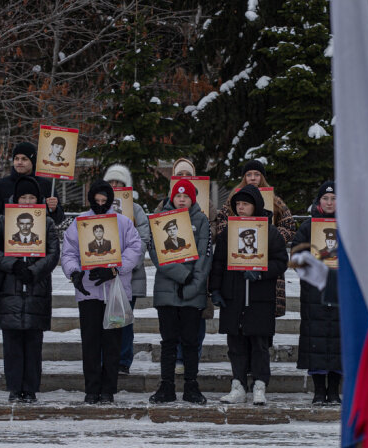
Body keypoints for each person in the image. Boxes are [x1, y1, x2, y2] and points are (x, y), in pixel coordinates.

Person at [61, 180, 143, 404]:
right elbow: (69, 252)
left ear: (110, 200)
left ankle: (108, 388)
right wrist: (74, 273)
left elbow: (135, 248)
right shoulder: (80, 223)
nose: (100, 204)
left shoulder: (123, 223)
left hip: (115, 291)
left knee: (112, 342)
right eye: (96, 200)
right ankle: (91, 388)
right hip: (89, 292)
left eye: (104, 200)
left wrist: (116, 269)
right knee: (90, 341)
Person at [210, 185, 288, 405]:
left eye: (245, 204)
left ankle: (260, 385)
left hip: (260, 297)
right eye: (238, 204)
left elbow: (281, 261)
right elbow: (218, 262)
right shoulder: (228, 232)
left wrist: (261, 272)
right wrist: (215, 289)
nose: (241, 208)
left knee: (260, 344)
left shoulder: (270, 232)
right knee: (235, 344)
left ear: (256, 206)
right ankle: (238, 384)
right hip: (233, 295)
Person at [0, 176, 59, 403]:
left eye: (31, 197)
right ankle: (15, 387)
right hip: (10, 288)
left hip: (37, 289)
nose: (27, 201)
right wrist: (13, 265)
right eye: (23, 197)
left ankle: (31, 388)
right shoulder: (3, 220)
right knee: (12, 343)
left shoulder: (46, 222)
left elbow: (53, 253)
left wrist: (34, 271)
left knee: (34, 343)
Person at [148, 179, 212, 405]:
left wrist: (193, 286)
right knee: (168, 341)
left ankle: (191, 386)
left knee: (190, 342)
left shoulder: (201, 220)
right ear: (172, 198)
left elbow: (205, 256)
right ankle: (166, 386)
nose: (182, 200)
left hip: (192, 294)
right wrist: (182, 276)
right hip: (166, 291)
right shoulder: (160, 220)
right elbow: (156, 253)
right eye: (178, 196)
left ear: (192, 199)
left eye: (186, 196)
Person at [213, 160, 297, 317]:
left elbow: (289, 225)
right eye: (249, 174)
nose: (252, 178)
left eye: (257, 174)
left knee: (262, 310)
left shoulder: (275, 200)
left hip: (266, 258)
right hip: (237, 260)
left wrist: (270, 238)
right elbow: (221, 223)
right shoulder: (233, 199)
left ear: (262, 177)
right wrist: (232, 236)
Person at [291, 180, 342, 405]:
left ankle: (334, 391)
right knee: (316, 340)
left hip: (340, 290)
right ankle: (319, 390)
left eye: (334, 198)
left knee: (338, 340)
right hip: (315, 292)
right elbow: (296, 255)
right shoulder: (308, 227)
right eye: (325, 198)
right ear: (319, 201)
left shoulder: (348, 225)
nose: (330, 202)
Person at [103, 164, 150, 375]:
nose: (114, 186)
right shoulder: (100, 207)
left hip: (129, 276)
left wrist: (127, 264)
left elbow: (143, 239)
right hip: (102, 276)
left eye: (119, 183)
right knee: (103, 320)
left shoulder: (136, 210)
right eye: (111, 182)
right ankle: (105, 359)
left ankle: (123, 360)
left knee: (123, 320)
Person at [0, 142, 65, 232]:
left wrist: (54, 210)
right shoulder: (2, 185)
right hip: (9, 239)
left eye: (24, 159)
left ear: (33, 161)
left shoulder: (46, 185)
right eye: (16, 158)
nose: (19, 162)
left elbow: (59, 220)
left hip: (39, 238)